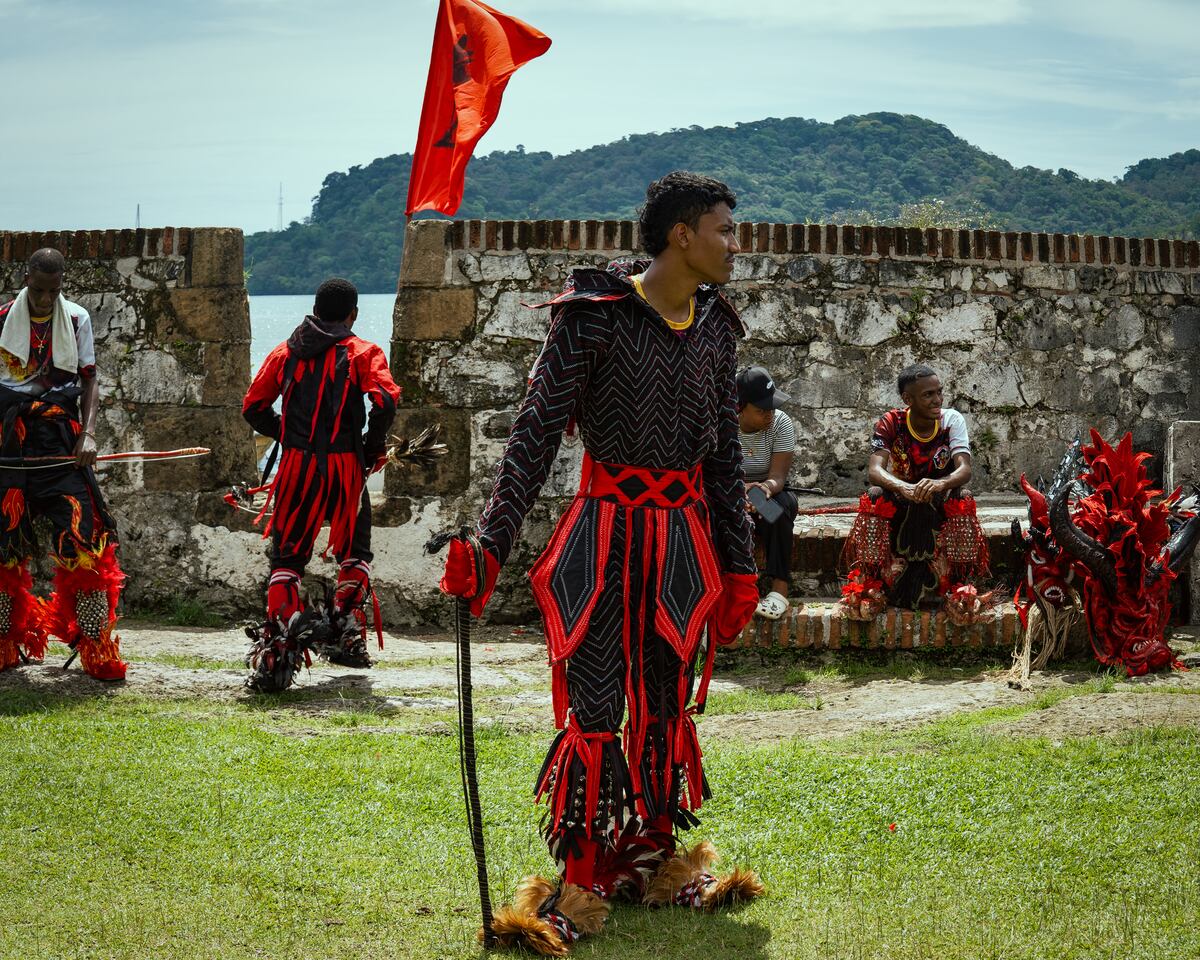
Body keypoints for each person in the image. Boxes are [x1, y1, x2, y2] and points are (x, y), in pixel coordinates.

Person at [441, 172, 763, 954]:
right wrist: (491, 542)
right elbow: (534, 433)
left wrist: (740, 562)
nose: (734, 244)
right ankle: (579, 882)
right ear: (681, 234)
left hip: (684, 543)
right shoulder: (591, 319)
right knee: (594, 707)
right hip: (602, 536)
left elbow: (722, 458)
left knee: (662, 702)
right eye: (724, 228)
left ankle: (653, 862)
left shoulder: (718, 327)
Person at [241, 277, 399, 690]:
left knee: (288, 560)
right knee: (354, 551)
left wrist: (289, 435)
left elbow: (253, 407)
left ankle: (276, 654)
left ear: (315, 309)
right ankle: (346, 634)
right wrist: (370, 448)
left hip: (296, 468)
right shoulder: (362, 352)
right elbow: (384, 400)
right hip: (345, 467)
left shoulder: (285, 353)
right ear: (353, 314)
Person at [0, 248, 126, 680]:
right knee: (4, 549)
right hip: (9, 443)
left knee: (86, 543)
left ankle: (96, 647)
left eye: (53, 291)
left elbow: (89, 380)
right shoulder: (1, 318)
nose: (44, 299)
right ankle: (4, 643)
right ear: (26, 280)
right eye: (38, 290)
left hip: (60, 441)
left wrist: (88, 433)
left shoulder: (75, 318)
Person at [843, 363, 987, 610]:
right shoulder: (891, 421)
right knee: (874, 496)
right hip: (904, 497)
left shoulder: (951, 420)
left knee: (963, 497)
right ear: (907, 399)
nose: (937, 400)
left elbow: (964, 470)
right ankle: (871, 583)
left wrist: (939, 483)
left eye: (939, 392)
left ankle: (961, 585)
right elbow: (875, 470)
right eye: (928, 395)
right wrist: (903, 488)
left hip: (939, 497)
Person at [736, 365, 797, 620]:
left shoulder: (780, 423)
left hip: (768, 491)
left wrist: (763, 489)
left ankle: (779, 590)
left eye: (771, 407)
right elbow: (711, 472)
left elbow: (778, 477)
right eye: (761, 410)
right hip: (729, 489)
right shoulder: (721, 425)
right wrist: (740, 490)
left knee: (776, 510)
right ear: (739, 407)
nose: (769, 414)